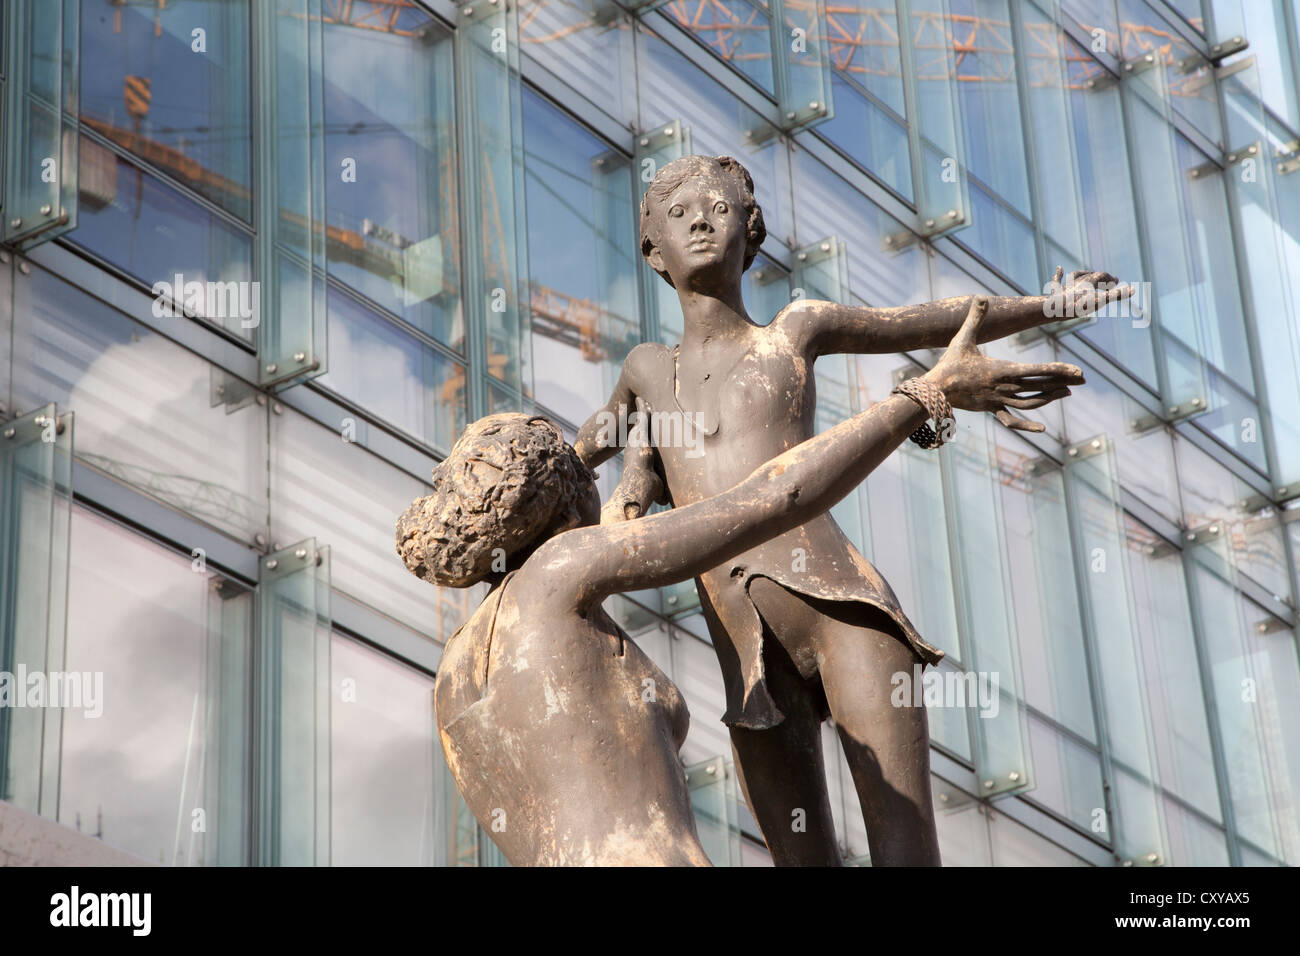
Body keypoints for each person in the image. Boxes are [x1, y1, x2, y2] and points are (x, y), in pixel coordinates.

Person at [574, 154, 1128, 865]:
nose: (701, 220)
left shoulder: (795, 331)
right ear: (653, 250)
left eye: (716, 208)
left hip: (847, 617)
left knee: (905, 853)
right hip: (750, 664)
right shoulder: (647, 372)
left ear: (752, 230)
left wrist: (1053, 306)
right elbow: (595, 458)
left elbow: (922, 322)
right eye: (679, 215)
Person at [397, 295, 1083, 866]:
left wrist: (643, 465)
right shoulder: (562, 572)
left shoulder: (455, 676)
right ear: (561, 499)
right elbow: (780, 497)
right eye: (587, 482)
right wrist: (925, 395)